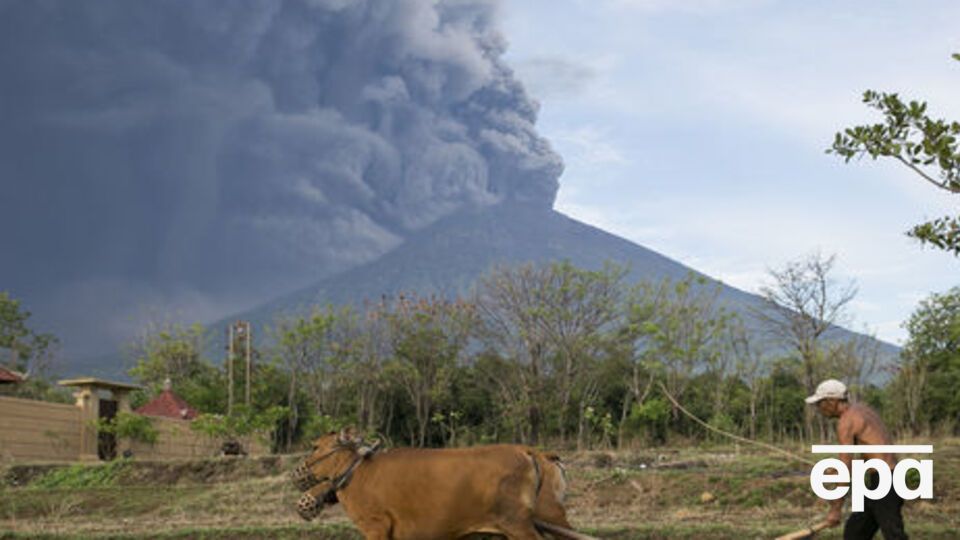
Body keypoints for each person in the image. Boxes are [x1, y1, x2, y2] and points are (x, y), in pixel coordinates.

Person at [806, 379, 908, 540]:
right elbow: (871, 450)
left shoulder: (846, 422)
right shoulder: (863, 410)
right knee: (855, 533)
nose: (819, 408)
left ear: (832, 401)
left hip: (886, 481)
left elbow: (845, 470)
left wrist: (835, 509)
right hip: (886, 478)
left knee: (894, 534)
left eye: (821, 403)